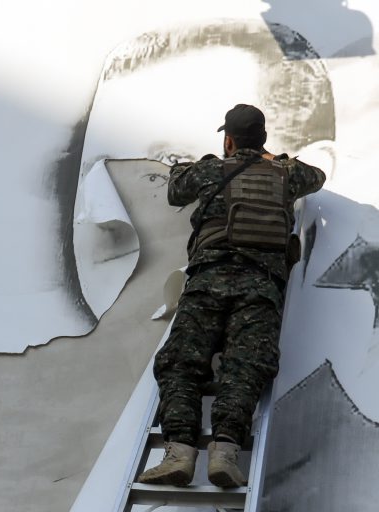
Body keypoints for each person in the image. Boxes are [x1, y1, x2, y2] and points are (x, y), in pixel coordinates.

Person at [139, 104, 326, 488]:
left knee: (180, 363)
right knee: (245, 367)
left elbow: (176, 190)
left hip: (207, 281)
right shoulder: (286, 174)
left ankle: (179, 451)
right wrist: (275, 159)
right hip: (260, 287)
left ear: (228, 139)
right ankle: (225, 451)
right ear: (263, 139)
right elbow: (317, 176)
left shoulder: (211, 171)